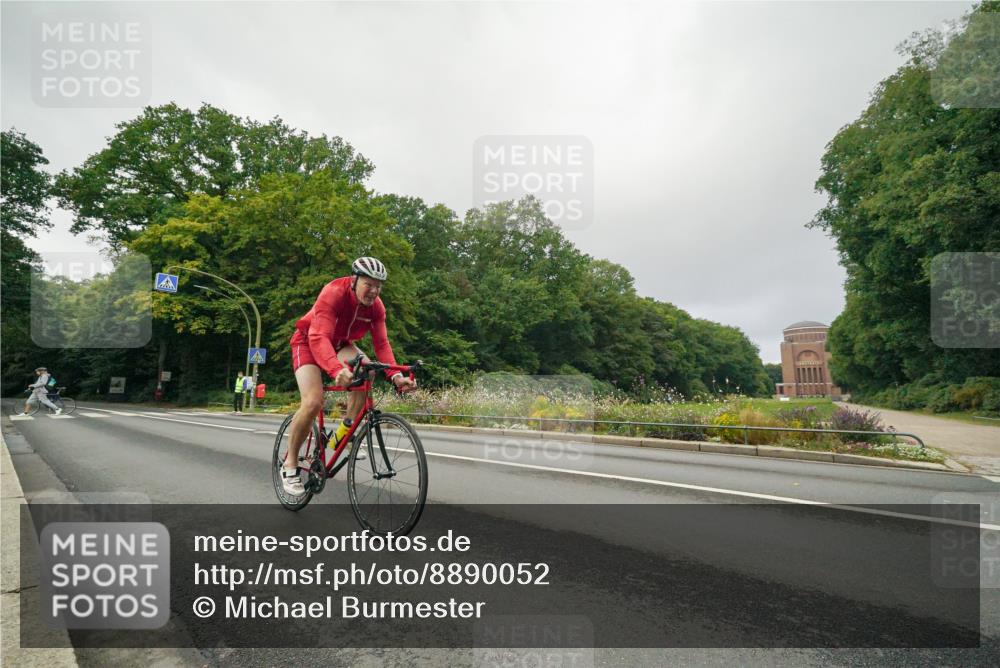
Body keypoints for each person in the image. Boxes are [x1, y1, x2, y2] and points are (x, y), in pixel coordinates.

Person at [282, 257, 416, 495]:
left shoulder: (376, 308)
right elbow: (319, 337)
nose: (373, 291)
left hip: (340, 344)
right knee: (313, 401)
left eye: (378, 286)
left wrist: (396, 376)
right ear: (354, 280)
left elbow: (382, 344)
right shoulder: (333, 292)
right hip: (308, 341)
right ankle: (290, 464)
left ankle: (343, 434)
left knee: (369, 371)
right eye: (368, 284)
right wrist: (335, 370)